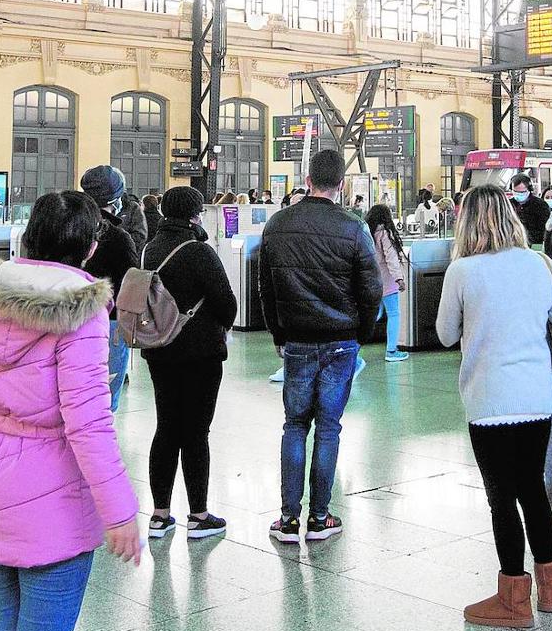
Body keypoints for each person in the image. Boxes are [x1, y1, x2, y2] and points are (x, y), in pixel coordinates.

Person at [0, 191, 141, 631]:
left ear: (29, 236)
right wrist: (120, 512)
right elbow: (89, 422)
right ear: (90, 249)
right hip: (51, 500)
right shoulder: (81, 311)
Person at [437, 184, 552, 628]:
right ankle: (551, 588)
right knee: (532, 490)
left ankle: (513, 599)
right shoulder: (542, 264)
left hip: (487, 401)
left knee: (502, 498)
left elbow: (443, 334)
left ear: (466, 222)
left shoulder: (461, 271)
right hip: (536, 397)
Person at [259, 149, 380, 543]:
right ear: (342, 184)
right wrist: (359, 334)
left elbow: (266, 288)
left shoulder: (278, 224)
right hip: (341, 340)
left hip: (296, 340)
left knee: (294, 425)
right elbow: (371, 291)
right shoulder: (354, 227)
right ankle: (319, 517)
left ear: (307, 179)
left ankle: (288, 521)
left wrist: (279, 334)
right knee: (329, 428)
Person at [142, 186, 238, 540]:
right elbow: (227, 303)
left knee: (166, 427)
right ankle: (198, 515)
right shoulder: (199, 251)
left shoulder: (149, 249)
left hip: (159, 349)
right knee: (196, 431)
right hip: (200, 354)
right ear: (196, 214)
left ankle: (159, 515)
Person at [79, 166, 137, 413]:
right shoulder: (119, 237)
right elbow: (132, 281)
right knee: (103, 403)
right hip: (110, 323)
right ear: (116, 198)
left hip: (67, 319)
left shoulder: (70, 227)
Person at [367, 204, 409, 362]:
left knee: (373, 314)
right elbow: (391, 258)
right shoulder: (385, 233)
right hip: (387, 280)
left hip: (371, 280)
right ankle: (391, 350)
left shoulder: (368, 233)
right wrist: (399, 278)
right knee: (394, 313)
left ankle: (354, 346)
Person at [509, 174, 551, 245]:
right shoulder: (508, 205)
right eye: (516, 192)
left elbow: (545, 229)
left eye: (522, 192)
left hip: (535, 245)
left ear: (529, 190)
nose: (519, 194)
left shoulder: (540, 205)